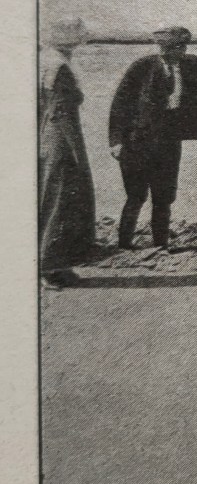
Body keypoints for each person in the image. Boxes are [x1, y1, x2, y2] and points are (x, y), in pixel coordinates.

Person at [109, 27, 197, 250]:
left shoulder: (188, 64)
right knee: (136, 196)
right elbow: (120, 104)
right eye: (164, 48)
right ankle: (124, 245)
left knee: (164, 197)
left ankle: (160, 245)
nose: (167, 52)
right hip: (136, 142)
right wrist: (116, 141)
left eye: (175, 48)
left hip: (169, 142)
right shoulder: (141, 67)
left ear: (183, 48)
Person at [39, 17, 96, 289]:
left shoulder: (46, 60)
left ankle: (57, 264)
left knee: (55, 196)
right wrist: (76, 150)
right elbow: (61, 111)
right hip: (62, 136)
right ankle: (48, 266)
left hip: (49, 133)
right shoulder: (59, 66)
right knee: (60, 198)